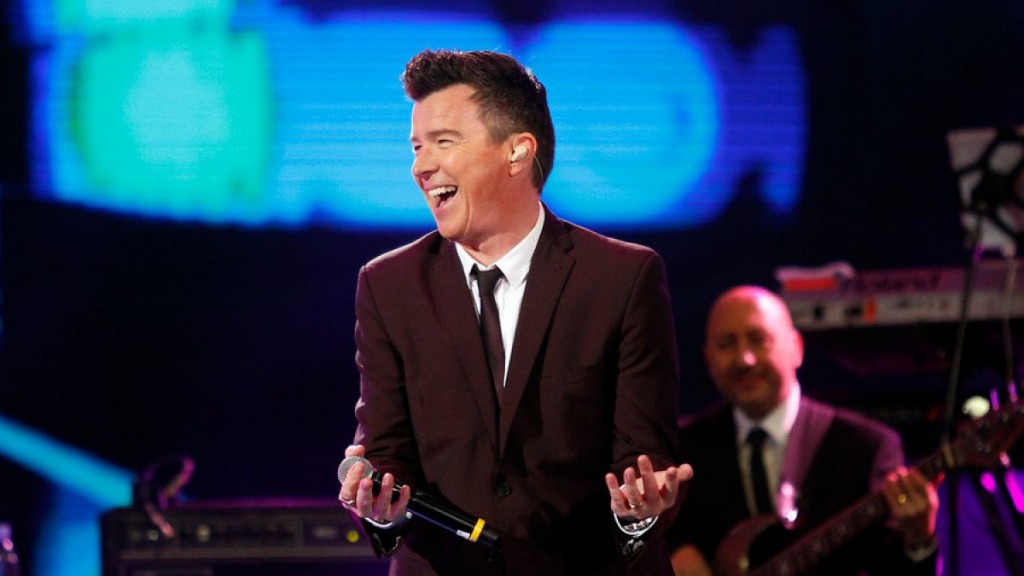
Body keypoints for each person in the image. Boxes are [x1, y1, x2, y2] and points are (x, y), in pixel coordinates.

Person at [337, 49, 692, 575]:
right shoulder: (389, 285)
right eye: (416, 146)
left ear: (517, 152)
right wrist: (378, 502)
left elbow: (645, 460)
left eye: (443, 142)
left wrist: (638, 512)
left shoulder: (622, 278)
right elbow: (385, 449)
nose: (420, 167)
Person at [666, 285, 940, 576]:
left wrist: (918, 539)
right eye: (726, 344)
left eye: (759, 340)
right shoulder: (682, 448)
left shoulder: (866, 447)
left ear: (796, 348)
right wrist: (671, 552)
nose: (744, 359)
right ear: (707, 358)